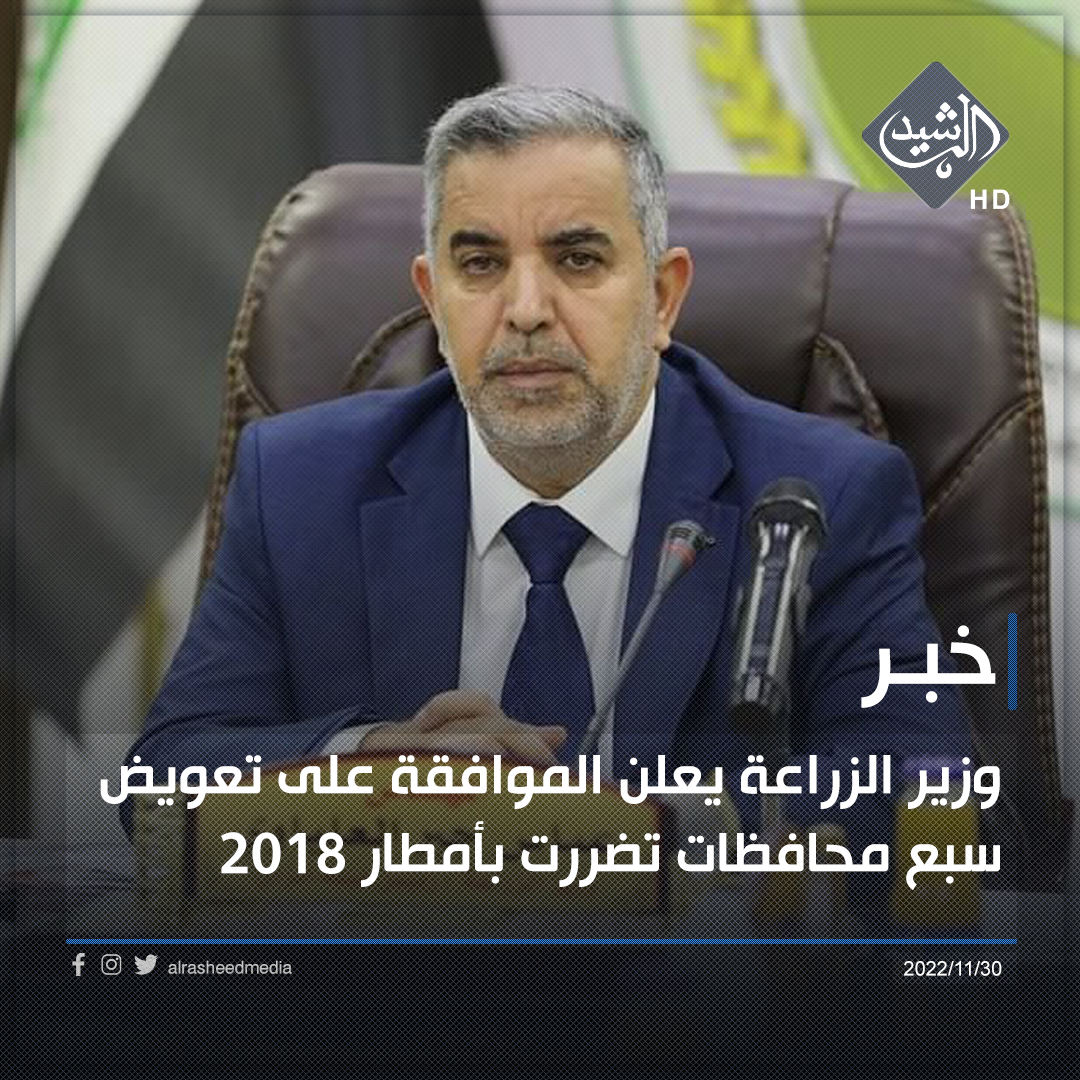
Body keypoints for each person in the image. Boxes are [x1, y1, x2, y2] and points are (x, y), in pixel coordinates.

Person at [131, 85, 968, 840]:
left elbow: (931, 798)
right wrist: (374, 762)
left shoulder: (821, 499)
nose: (526, 310)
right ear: (432, 299)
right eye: (480, 264)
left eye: (578, 259)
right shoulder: (299, 485)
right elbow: (162, 784)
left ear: (663, 298)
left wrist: (616, 831)